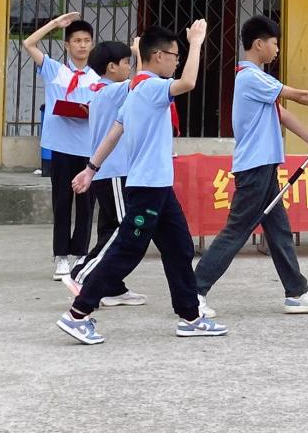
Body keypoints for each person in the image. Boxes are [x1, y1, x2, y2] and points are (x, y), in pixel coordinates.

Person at [56, 21, 227, 344]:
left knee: (179, 247)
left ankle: (190, 316)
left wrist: (91, 167)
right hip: (148, 187)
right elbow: (188, 82)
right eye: (175, 55)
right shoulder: (148, 88)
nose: (177, 61)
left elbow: (115, 132)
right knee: (126, 251)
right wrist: (198, 41)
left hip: (158, 186)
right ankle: (78, 314)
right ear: (159, 56)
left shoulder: (136, 89)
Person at [194, 15, 308, 318]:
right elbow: (301, 95)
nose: (277, 49)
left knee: (279, 230)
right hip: (255, 168)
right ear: (259, 44)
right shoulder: (251, 77)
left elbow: (280, 112)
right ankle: (194, 290)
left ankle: (296, 292)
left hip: (264, 167)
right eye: (274, 43)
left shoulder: (256, 79)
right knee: (236, 231)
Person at [66, 38, 145, 306]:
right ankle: (82, 273)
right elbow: (140, 83)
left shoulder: (101, 90)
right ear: (111, 67)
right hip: (114, 170)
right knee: (124, 230)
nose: (129, 67)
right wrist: (139, 52)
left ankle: (111, 285)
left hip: (108, 171)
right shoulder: (112, 91)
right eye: (126, 63)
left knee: (110, 228)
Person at [23, 12, 97, 280]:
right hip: (61, 146)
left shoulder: (97, 75)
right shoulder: (55, 69)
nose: (82, 45)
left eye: (87, 40)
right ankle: (61, 256)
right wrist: (54, 25)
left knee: (86, 203)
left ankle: (81, 254)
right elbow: (29, 44)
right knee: (62, 201)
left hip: (88, 147)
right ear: (67, 44)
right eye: (77, 40)